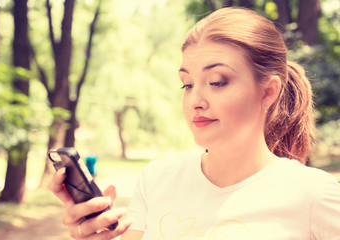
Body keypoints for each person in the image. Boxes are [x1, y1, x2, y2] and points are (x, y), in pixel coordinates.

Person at [49, 7, 340, 240]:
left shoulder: (315, 195)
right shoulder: (156, 179)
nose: (195, 101)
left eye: (217, 82)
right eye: (187, 85)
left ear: (268, 91)